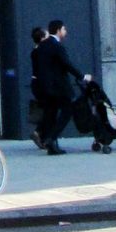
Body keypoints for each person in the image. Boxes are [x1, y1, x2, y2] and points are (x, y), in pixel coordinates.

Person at [30, 19, 91, 155]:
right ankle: (51, 139)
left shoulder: (41, 46)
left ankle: (51, 145)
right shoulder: (56, 46)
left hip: (44, 87)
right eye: (64, 29)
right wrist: (82, 76)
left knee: (51, 113)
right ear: (58, 30)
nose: (65, 32)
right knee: (67, 110)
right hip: (58, 87)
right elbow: (67, 64)